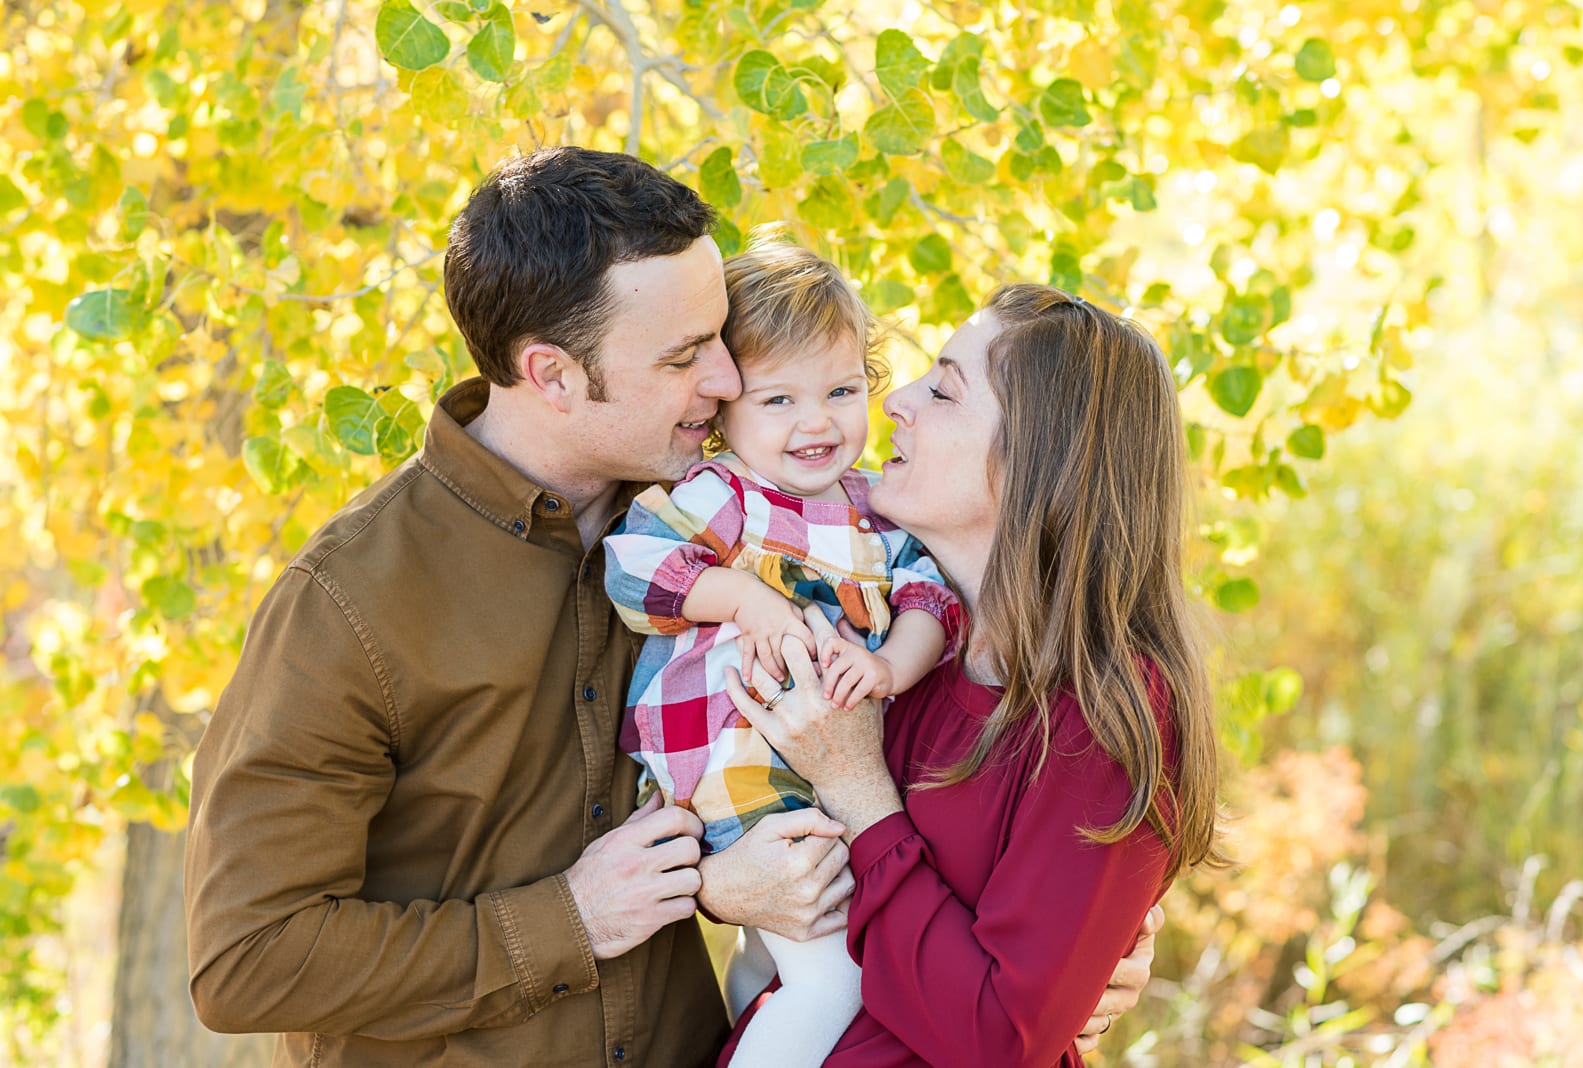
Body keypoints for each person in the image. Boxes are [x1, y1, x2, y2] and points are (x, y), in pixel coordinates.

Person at [182, 145, 1157, 1067]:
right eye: (687, 354)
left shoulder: (749, 517)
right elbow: (246, 961)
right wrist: (572, 919)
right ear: (554, 374)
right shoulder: (355, 599)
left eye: (722, 340)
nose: (729, 381)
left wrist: (1069, 945)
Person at [718, 285, 1222, 1066]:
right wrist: (714, 885)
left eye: (944, 390)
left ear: (1037, 461)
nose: (896, 401)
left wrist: (856, 785)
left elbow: (999, 1040)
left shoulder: (1106, 714)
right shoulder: (890, 638)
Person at [604, 240, 957, 1068]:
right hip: (736, 766)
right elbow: (634, 568)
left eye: (841, 390)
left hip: (818, 771)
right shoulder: (725, 495)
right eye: (779, 400)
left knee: (773, 958)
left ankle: (745, 1034)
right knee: (833, 980)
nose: (817, 422)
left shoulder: (876, 508)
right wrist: (742, 596)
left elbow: (928, 596)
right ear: (725, 411)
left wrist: (892, 667)